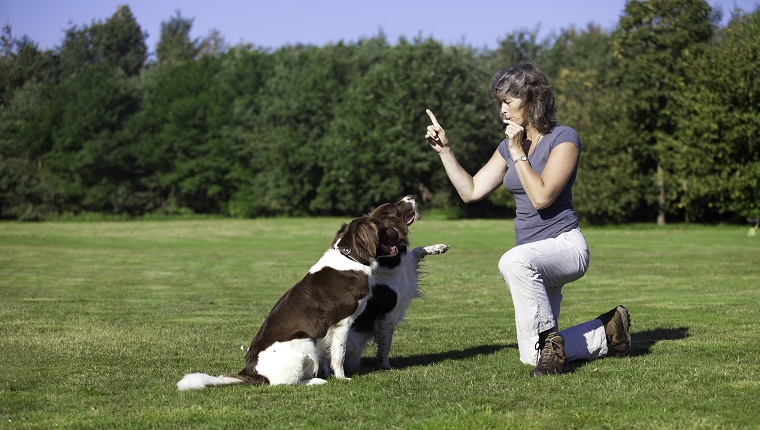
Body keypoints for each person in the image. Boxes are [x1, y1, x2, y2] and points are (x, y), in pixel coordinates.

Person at [424, 61, 632, 377]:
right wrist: (445, 151)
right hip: (531, 259)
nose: (502, 111)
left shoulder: (564, 138)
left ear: (531, 99)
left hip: (565, 247)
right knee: (531, 357)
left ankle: (551, 343)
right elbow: (472, 191)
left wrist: (518, 152)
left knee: (513, 261)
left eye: (508, 101)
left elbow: (542, 197)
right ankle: (609, 331)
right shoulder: (507, 148)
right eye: (499, 103)